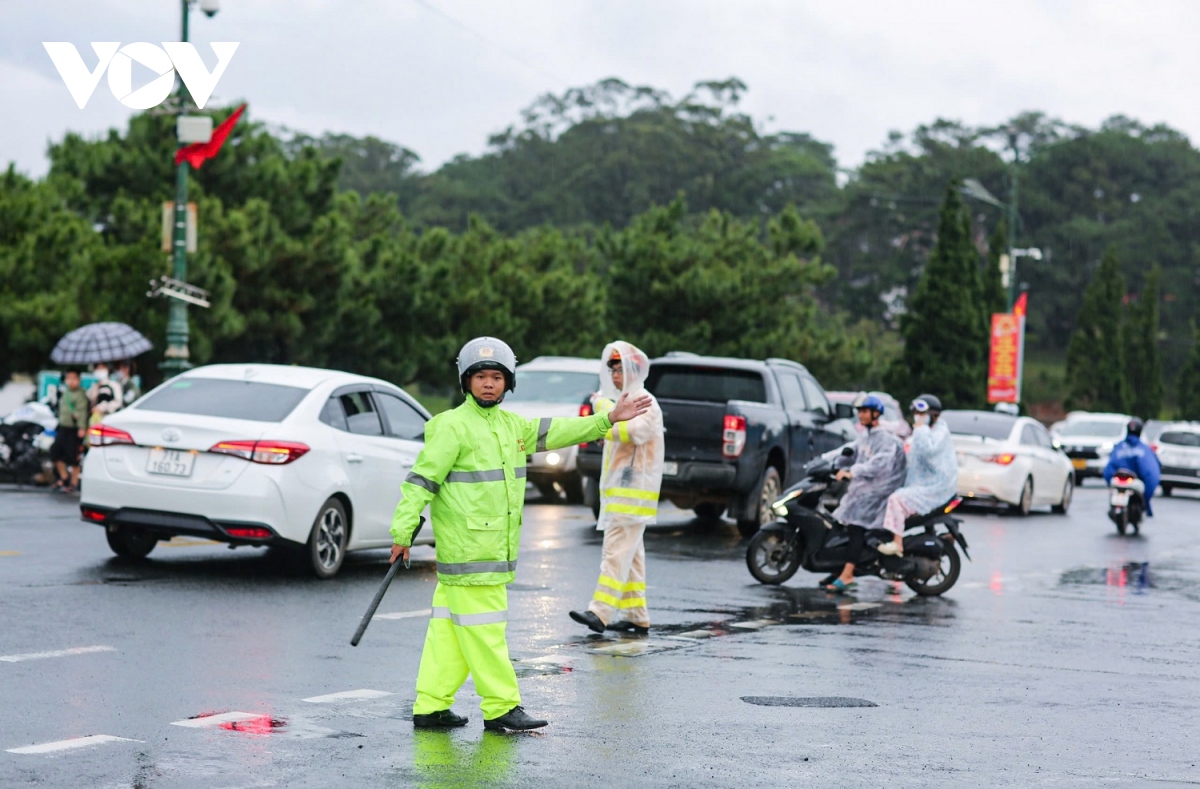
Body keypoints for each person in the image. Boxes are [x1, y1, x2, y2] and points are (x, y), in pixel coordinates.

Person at [389, 337, 652, 732]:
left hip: (488, 553)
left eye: (497, 376)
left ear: (508, 382)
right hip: (470, 554)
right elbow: (419, 483)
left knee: (449, 632)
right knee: (486, 633)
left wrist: (608, 419)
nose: (489, 383)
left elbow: (559, 430)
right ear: (466, 381)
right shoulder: (450, 427)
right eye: (480, 376)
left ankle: (431, 705)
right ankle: (501, 707)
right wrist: (403, 532)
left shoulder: (513, 427)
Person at [569, 342, 664, 635]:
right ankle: (637, 615)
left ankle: (600, 613)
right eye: (612, 369)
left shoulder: (643, 400)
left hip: (631, 497)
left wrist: (602, 409)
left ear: (634, 370)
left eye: (620, 368)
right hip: (623, 495)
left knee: (615, 554)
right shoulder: (624, 402)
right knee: (631, 557)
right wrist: (607, 423)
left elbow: (632, 431)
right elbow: (618, 431)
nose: (614, 374)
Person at [824, 395, 907, 592]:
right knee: (841, 524)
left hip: (879, 491)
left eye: (864, 411)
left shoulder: (885, 439)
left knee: (855, 527)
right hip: (864, 488)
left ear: (875, 414)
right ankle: (838, 569)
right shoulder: (866, 436)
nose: (860, 415)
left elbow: (878, 464)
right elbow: (848, 451)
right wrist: (823, 461)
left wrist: (853, 471)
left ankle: (847, 574)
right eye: (859, 411)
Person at [880, 394, 959, 555]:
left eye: (922, 414)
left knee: (897, 499)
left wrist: (920, 427)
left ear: (933, 415)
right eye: (916, 413)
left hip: (935, 487)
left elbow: (927, 451)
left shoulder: (938, 432)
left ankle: (897, 543)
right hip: (923, 484)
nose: (918, 417)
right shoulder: (925, 431)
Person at [1103, 418, 1161, 516]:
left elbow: (1109, 467)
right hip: (1127, 480)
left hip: (1125, 480)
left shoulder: (1120, 446)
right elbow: (1151, 470)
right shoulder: (1144, 449)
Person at [50, 370, 89, 493]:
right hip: (63, 427)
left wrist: (82, 428)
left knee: (73, 456)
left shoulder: (81, 395)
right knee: (55, 452)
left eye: (74, 378)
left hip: (74, 429)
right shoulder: (64, 393)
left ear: (78, 380)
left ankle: (74, 482)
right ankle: (64, 476)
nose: (71, 381)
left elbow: (82, 413)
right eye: (69, 378)